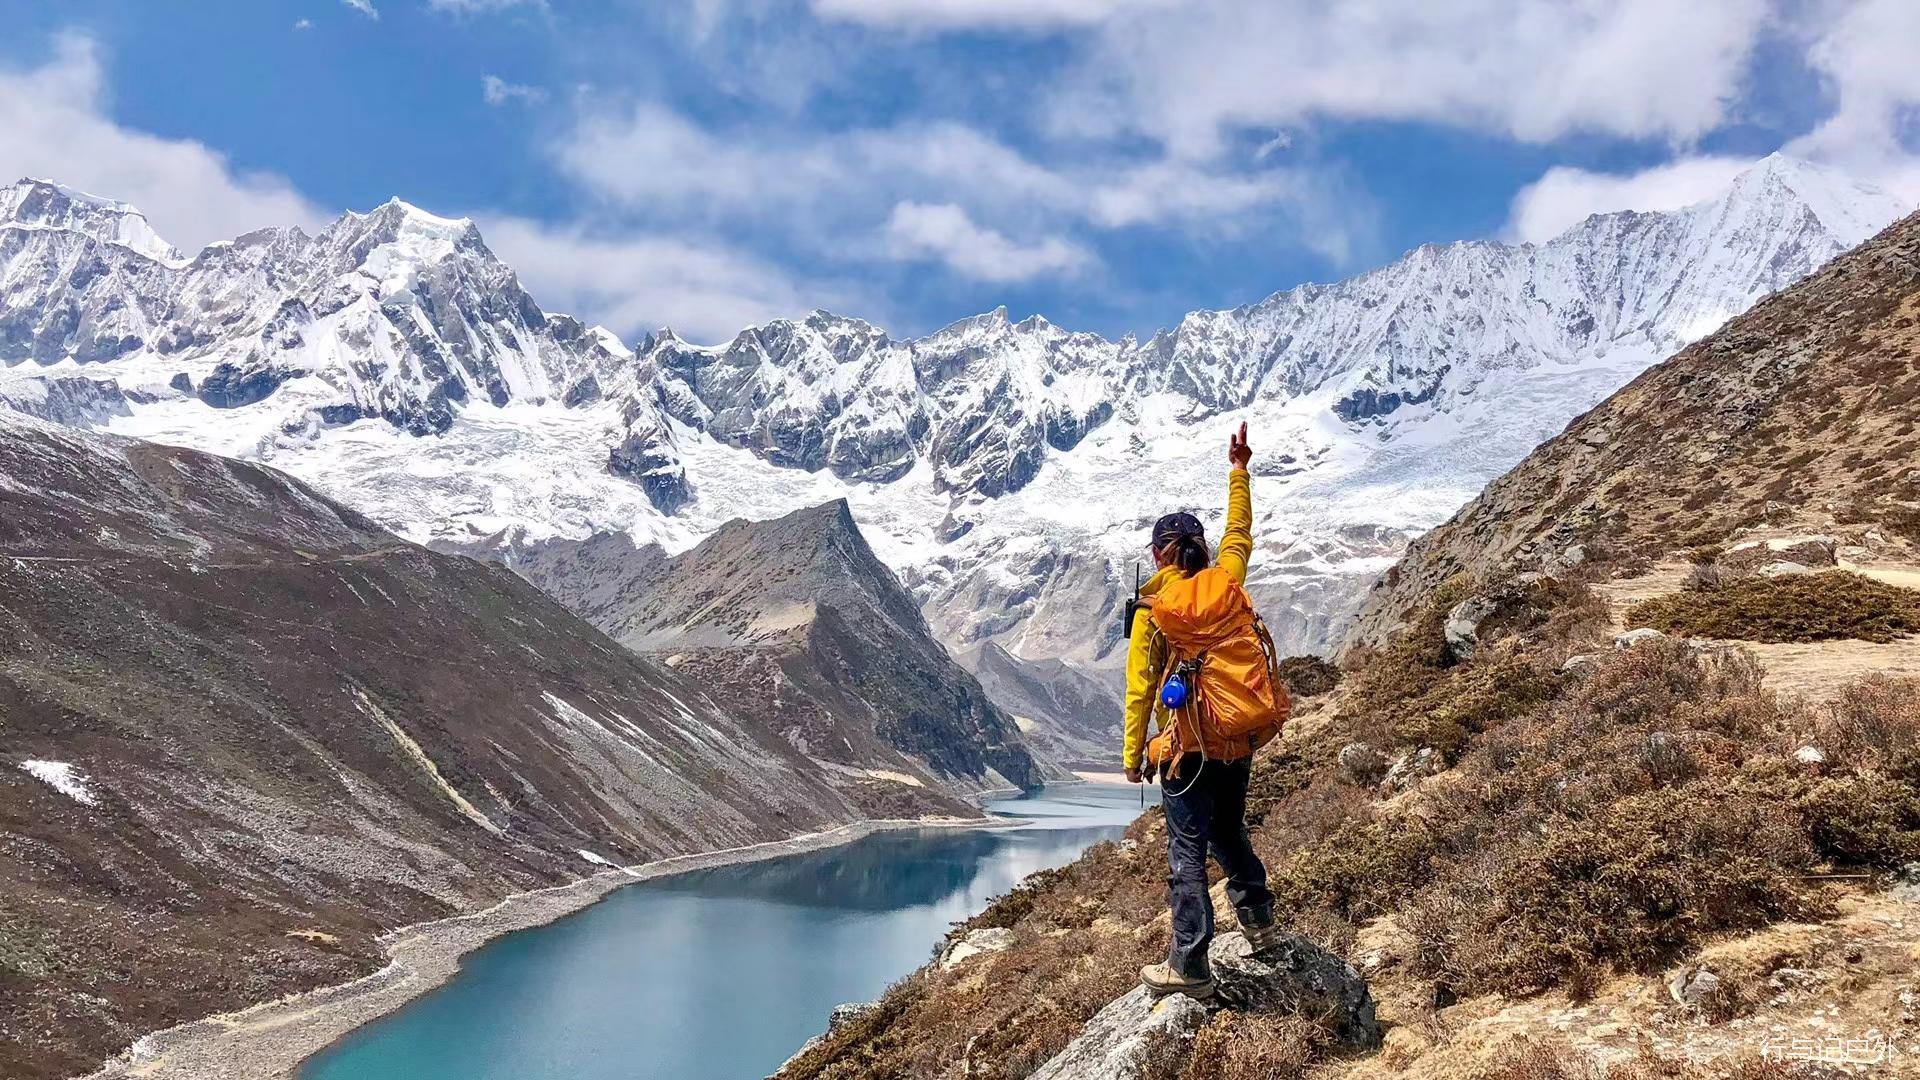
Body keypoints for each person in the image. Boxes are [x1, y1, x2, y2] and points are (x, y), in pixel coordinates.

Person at [1123, 420, 1281, 998]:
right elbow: (1241, 533)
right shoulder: (1227, 579)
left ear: (1158, 554)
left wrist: (1133, 756)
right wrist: (1239, 470)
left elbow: (1140, 689)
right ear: (1202, 547)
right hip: (1237, 737)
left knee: (1186, 853)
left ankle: (1188, 965)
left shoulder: (1154, 609)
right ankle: (1260, 924)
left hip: (1186, 748)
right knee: (1230, 831)